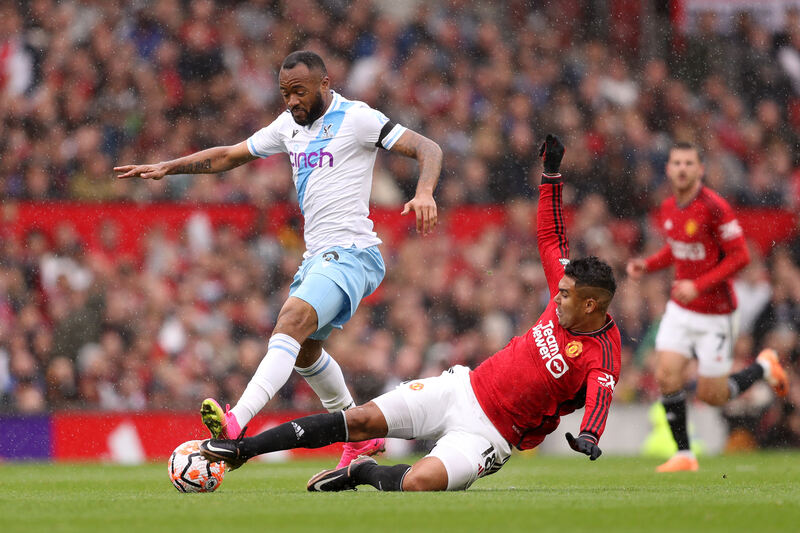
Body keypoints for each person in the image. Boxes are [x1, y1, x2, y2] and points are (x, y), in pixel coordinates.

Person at [199, 135, 622, 492]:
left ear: (591, 305)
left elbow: (602, 393)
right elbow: (552, 236)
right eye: (559, 290)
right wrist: (551, 175)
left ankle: (361, 472)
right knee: (361, 420)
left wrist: (590, 433)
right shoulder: (566, 286)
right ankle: (242, 450)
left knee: (420, 482)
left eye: (566, 296)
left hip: (491, 436)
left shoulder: (602, 353)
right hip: (463, 389)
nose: (557, 297)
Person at [114, 50, 442, 468]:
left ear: (325, 84)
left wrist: (426, 190)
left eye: (299, 92)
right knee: (304, 352)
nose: (291, 102)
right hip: (317, 256)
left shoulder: (357, 118)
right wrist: (169, 166)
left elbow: (427, 147)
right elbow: (230, 155)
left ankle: (236, 421)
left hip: (353, 252)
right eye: (285, 93)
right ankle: (361, 439)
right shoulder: (289, 127)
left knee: (290, 321)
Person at [626, 142, 788, 473]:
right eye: (676, 163)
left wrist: (697, 285)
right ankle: (685, 454)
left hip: (716, 314)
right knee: (666, 373)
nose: (682, 168)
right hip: (681, 309)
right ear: (669, 169)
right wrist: (648, 264)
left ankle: (764, 367)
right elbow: (677, 249)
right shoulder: (669, 207)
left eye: (689, 163)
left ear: (700, 169)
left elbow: (741, 256)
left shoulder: (715, 207)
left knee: (712, 394)